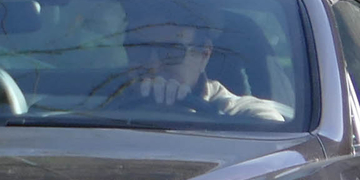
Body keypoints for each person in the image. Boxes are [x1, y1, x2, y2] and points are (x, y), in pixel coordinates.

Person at [113, 8, 288, 122]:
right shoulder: (96, 107)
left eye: (170, 52)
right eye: (138, 49)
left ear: (204, 54)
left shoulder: (239, 115)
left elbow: (276, 141)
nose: (152, 65)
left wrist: (181, 112)